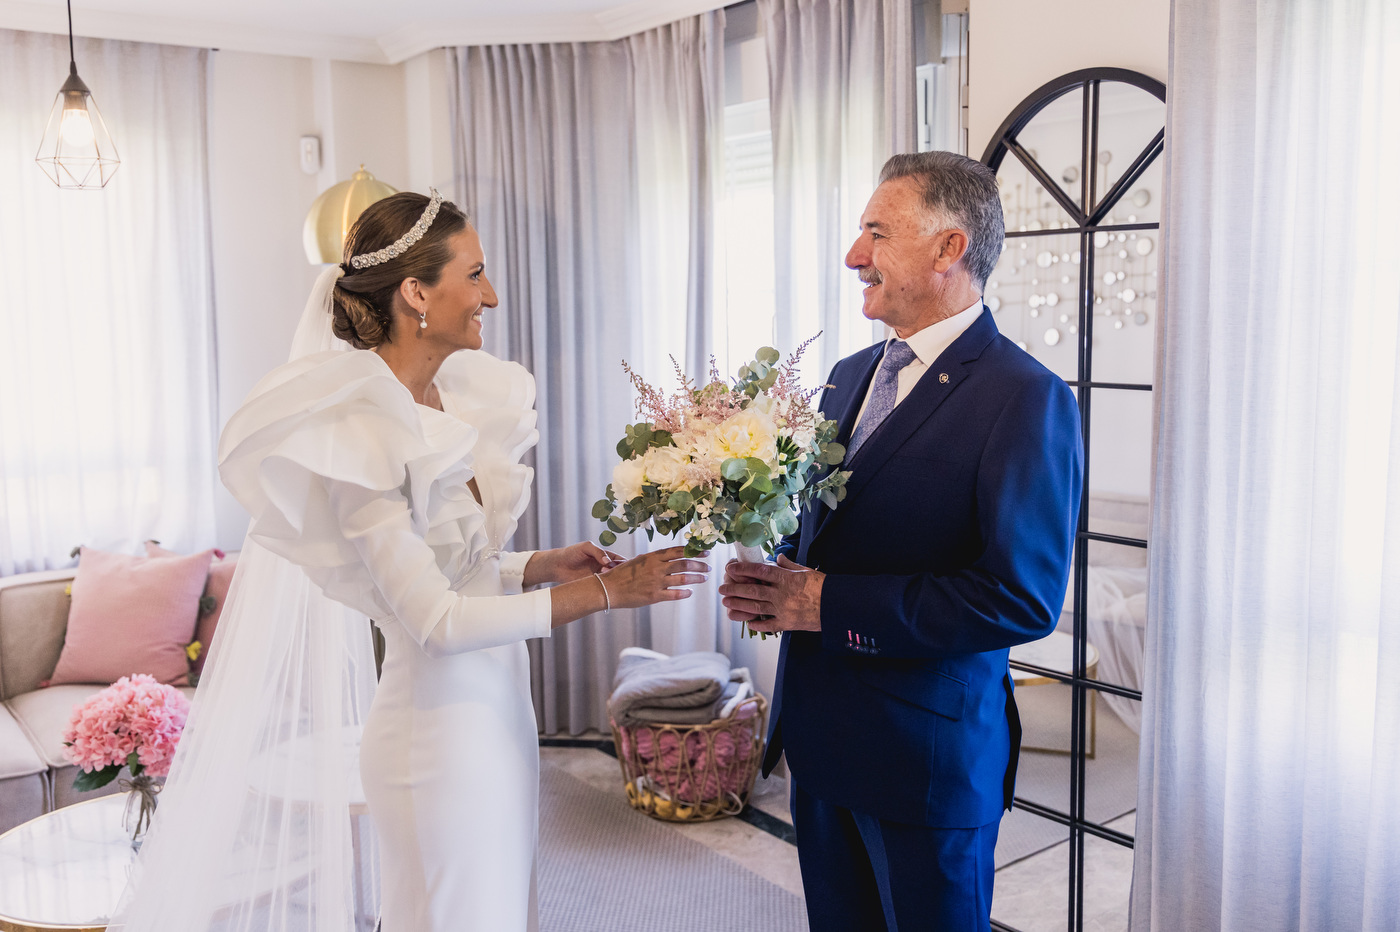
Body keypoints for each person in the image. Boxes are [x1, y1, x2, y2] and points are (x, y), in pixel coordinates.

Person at [110, 191, 709, 932]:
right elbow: (434, 619)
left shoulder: (447, 404)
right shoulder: (359, 435)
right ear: (416, 292)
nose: (491, 294)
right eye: (476, 274)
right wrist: (607, 595)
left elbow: (454, 569)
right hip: (437, 739)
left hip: (498, 718)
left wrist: (542, 565)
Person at [719, 152, 1082, 932]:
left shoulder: (1025, 399)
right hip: (820, 747)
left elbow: (1021, 599)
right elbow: (843, 534)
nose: (855, 256)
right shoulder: (847, 376)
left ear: (949, 249)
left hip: (925, 763)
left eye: (876, 233)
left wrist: (827, 603)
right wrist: (777, 582)